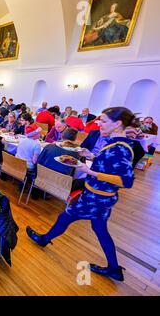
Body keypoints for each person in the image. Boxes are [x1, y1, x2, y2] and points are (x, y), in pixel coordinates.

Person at [27, 107, 138, 282]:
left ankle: (44, 239)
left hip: (96, 198)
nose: (99, 124)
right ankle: (114, 269)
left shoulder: (119, 148)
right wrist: (91, 155)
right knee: (100, 229)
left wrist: (89, 171)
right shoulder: (115, 143)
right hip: (103, 197)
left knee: (65, 217)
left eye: (104, 121)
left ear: (118, 124)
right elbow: (109, 164)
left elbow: (127, 181)